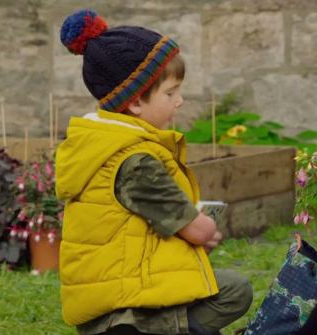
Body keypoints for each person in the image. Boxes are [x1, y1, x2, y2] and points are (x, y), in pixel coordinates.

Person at [55, 9, 252, 335]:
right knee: (235, 291)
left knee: (223, 285)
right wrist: (204, 226)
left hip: (120, 286)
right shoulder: (134, 160)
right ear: (134, 103)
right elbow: (195, 230)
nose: (180, 101)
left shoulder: (102, 143)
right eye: (170, 93)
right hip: (122, 306)